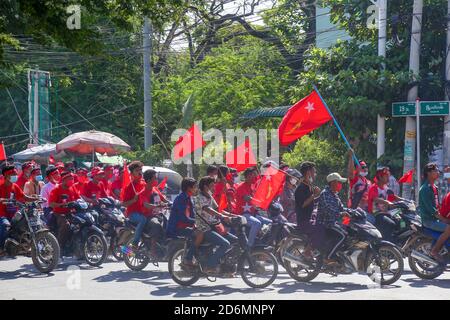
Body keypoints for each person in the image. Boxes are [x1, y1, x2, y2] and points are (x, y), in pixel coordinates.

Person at [193, 176, 238, 274]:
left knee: (236, 241)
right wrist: (221, 216)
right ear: (205, 186)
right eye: (212, 185)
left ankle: (224, 264)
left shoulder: (209, 194)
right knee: (225, 244)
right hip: (204, 228)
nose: (214, 187)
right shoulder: (199, 197)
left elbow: (218, 209)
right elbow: (207, 209)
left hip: (214, 225)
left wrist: (234, 216)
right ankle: (210, 265)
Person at [0, 165, 39, 256]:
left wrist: (35, 198)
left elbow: (24, 197)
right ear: (6, 175)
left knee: (27, 223)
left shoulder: (15, 186)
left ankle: (25, 246)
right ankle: (1, 247)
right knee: (6, 226)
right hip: (2, 214)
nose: (15, 176)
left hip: (14, 213)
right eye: (12, 174)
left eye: (15, 174)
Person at [166, 177, 202, 268]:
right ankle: (188, 259)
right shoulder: (181, 199)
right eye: (194, 187)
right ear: (189, 188)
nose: (196, 189)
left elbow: (193, 215)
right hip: (178, 227)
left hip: (186, 224)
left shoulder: (189, 198)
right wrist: (196, 222)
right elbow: (183, 218)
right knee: (199, 235)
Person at [419, 163, 450, 262]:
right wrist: (444, 219)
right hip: (429, 220)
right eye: (435, 171)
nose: (438, 173)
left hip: (436, 218)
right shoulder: (424, 189)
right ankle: (434, 251)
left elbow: (438, 206)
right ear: (428, 173)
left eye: (438, 171)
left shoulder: (434, 187)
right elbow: (431, 210)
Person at [235, 167, 272, 248]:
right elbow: (248, 199)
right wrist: (261, 203)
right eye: (254, 175)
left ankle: (260, 243)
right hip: (242, 215)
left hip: (251, 214)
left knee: (270, 223)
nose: (256, 177)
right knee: (257, 223)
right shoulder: (241, 187)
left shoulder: (251, 187)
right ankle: (248, 246)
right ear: (248, 176)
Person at [316, 173, 349, 265]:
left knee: (350, 231)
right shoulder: (325, 194)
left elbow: (341, 208)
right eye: (339, 182)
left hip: (333, 222)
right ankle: (328, 257)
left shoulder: (334, 194)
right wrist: (341, 214)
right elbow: (329, 209)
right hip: (325, 223)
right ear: (333, 183)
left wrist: (354, 211)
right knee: (343, 235)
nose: (340, 185)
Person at [48, 171, 81, 255]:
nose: (72, 180)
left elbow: (78, 198)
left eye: (72, 179)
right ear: (63, 180)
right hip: (59, 213)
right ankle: (59, 247)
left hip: (71, 212)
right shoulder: (56, 189)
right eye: (70, 179)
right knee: (66, 225)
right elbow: (51, 204)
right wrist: (61, 205)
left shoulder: (72, 187)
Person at [140, 169, 169, 257]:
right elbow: (146, 205)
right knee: (156, 225)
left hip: (160, 214)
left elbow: (164, 200)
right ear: (148, 180)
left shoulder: (155, 189)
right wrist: (157, 206)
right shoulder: (143, 192)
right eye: (155, 178)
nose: (157, 180)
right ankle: (153, 251)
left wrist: (172, 203)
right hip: (148, 216)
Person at [367, 167, 399, 242]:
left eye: (388, 175)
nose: (388, 178)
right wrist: (387, 202)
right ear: (380, 177)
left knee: (401, 219)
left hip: (386, 213)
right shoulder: (374, 187)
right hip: (377, 214)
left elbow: (393, 196)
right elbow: (375, 199)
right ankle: (386, 243)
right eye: (386, 176)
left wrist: (405, 201)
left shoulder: (385, 187)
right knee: (390, 224)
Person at [121, 161, 147, 250]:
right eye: (137, 170)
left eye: (141, 170)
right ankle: (135, 243)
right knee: (143, 220)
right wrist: (133, 200)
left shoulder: (144, 184)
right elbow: (123, 203)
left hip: (144, 211)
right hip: (133, 214)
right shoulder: (129, 187)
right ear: (131, 173)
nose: (140, 172)